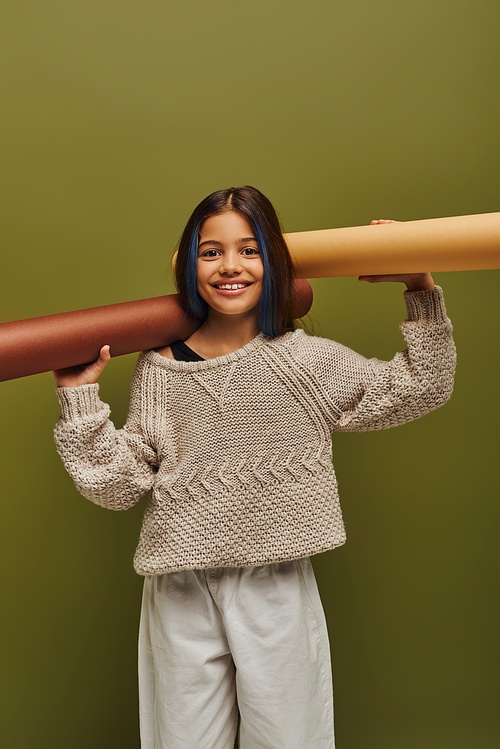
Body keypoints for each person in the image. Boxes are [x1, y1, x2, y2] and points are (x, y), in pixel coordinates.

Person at [53, 185, 456, 749]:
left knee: (291, 738)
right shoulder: (159, 371)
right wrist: (80, 401)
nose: (230, 266)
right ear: (190, 264)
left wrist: (421, 286)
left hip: (276, 583)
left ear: (274, 262)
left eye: (250, 249)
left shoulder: (306, 362)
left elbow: (421, 386)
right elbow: (117, 487)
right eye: (211, 251)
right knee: (182, 740)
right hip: (179, 589)